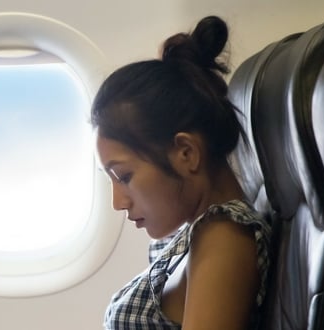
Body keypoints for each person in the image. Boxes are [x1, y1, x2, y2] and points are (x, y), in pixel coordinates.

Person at [93, 16, 271, 329]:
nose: (118, 202)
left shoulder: (224, 239)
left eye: (124, 177)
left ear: (186, 153)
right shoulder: (197, 231)